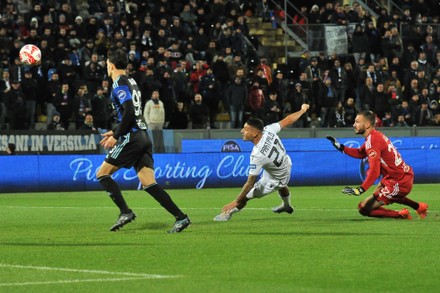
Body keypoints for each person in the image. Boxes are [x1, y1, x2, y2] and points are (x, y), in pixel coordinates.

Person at [96, 48, 190, 233]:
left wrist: (117, 136)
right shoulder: (132, 82)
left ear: (112, 65)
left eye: (107, 64)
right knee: (148, 183)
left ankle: (125, 212)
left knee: (102, 174)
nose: (107, 67)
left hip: (132, 137)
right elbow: (132, 113)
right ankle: (181, 217)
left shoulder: (118, 83)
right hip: (143, 136)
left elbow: (129, 111)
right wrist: (114, 131)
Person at [213, 103, 310, 221]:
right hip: (285, 164)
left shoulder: (257, 154)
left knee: (247, 196)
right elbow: (288, 120)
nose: (242, 131)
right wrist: (302, 111)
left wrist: (235, 201)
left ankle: (228, 213)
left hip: (274, 178)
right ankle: (287, 205)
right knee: (282, 183)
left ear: (254, 133)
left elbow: (250, 183)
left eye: (246, 129)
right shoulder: (268, 130)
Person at [326, 110, 428, 220]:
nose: (354, 125)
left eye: (357, 122)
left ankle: (401, 215)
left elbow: (375, 172)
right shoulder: (374, 136)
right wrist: (341, 148)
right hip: (396, 176)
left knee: (363, 208)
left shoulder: (373, 141)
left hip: (399, 181)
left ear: (367, 124)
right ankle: (419, 207)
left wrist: (360, 189)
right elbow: (361, 153)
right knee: (384, 194)